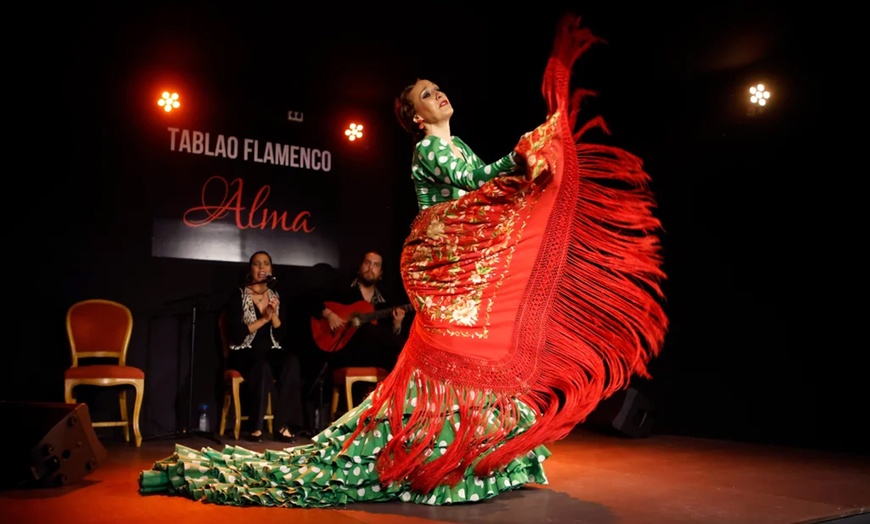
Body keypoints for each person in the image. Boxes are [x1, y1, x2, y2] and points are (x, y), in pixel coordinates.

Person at [139, 13, 668, 507]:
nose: (438, 94)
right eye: (426, 95)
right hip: (440, 265)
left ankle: (473, 456)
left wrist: (532, 169)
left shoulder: (457, 144)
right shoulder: (428, 151)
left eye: (437, 88)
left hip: (459, 263)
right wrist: (524, 153)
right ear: (416, 117)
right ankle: (433, 458)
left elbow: (488, 193)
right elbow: (480, 184)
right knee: (454, 356)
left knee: (476, 356)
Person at [222, 250, 304, 443]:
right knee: (261, 366)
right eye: (257, 264)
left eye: (266, 263)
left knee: (290, 361)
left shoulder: (275, 295)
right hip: (243, 351)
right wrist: (263, 319)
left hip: (269, 350)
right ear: (250, 269)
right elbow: (237, 334)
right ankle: (255, 427)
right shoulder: (239, 294)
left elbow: (281, 335)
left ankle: (284, 425)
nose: (261, 268)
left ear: (271, 269)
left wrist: (273, 315)